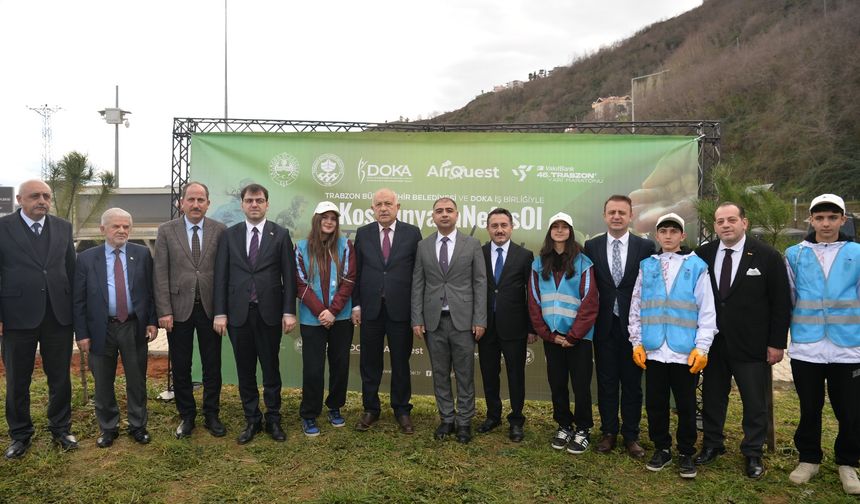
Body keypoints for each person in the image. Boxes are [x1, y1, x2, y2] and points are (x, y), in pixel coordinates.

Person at [695, 202, 791, 478]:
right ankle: (712, 445)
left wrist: (777, 343)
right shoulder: (703, 255)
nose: (726, 225)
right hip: (713, 344)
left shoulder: (767, 256)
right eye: (720, 221)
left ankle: (753, 452)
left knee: (754, 401)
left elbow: (780, 302)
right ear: (714, 226)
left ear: (744, 223)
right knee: (713, 397)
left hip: (753, 344)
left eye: (731, 220)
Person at [628, 212, 717, 479]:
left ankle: (686, 452)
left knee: (686, 405)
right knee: (656, 403)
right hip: (654, 349)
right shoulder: (647, 266)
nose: (668, 236)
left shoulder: (697, 266)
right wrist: (637, 341)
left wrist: (702, 348)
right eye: (663, 231)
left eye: (673, 231)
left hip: (684, 352)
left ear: (682, 235)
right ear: (657, 236)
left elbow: (707, 311)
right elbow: (636, 306)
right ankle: (662, 448)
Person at [784, 194, 860, 495]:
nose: (825, 223)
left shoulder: (856, 252)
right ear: (811, 220)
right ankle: (809, 458)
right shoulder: (794, 254)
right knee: (809, 406)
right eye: (819, 218)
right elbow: (788, 298)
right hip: (807, 344)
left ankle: (847, 461)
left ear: (843, 219)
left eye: (832, 217)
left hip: (849, 346)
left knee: (850, 409)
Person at [213, 183, 297, 445]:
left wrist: (288, 312)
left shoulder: (280, 234)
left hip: (270, 314)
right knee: (245, 370)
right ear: (242, 204)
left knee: (271, 369)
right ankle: (252, 418)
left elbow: (289, 277)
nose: (254, 205)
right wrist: (220, 313)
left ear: (267, 204)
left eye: (259, 200)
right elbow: (221, 277)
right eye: (249, 200)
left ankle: (273, 418)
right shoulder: (229, 235)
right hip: (238, 315)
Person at [0, 180, 77, 459]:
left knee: (60, 378)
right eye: (35, 196)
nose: (42, 200)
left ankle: (61, 428)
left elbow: (71, 269)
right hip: (16, 318)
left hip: (58, 316)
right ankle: (20, 435)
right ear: (20, 199)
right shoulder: (3, 227)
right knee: (18, 380)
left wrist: (76, 314)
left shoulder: (62, 227)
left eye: (46, 196)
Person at [74, 208, 158, 448]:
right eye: (116, 226)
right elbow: (78, 300)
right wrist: (82, 334)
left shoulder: (142, 254)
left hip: (133, 327)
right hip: (100, 329)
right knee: (102, 381)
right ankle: (108, 427)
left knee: (136, 379)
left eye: (126, 227)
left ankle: (138, 425)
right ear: (103, 230)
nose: (122, 231)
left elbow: (150, 291)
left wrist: (152, 320)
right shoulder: (87, 258)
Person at [154, 181, 227, 439]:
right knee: (182, 365)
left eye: (201, 200)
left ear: (208, 203)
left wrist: (222, 311)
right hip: (177, 310)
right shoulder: (166, 231)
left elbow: (224, 273)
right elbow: (160, 272)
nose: (196, 204)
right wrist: (164, 310)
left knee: (212, 365)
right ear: (181, 202)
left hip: (210, 311)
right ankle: (187, 416)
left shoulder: (220, 230)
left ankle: (211, 414)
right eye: (191, 199)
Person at [583, 195, 654, 458]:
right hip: (603, 326)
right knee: (606, 381)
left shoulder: (645, 247)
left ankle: (632, 435)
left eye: (622, 212)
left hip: (635, 327)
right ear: (604, 216)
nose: (616, 216)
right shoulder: (591, 246)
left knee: (633, 384)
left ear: (631, 216)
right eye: (611, 212)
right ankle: (609, 432)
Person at [411, 197, 487, 444]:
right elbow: (418, 284)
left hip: (464, 321)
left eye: (449, 211)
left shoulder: (472, 244)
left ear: (457, 215)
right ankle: (447, 419)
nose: (444, 214)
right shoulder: (423, 246)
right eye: (439, 211)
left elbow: (480, 283)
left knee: (465, 374)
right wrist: (417, 318)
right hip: (434, 321)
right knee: (440, 373)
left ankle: (464, 421)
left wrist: (480, 319)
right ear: (432, 216)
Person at [352, 188, 422, 434]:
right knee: (369, 362)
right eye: (379, 204)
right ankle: (371, 408)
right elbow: (356, 272)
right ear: (372, 208)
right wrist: (357, 304)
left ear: (397, 207)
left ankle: (402, 409)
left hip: (400, 311)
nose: (383, 208)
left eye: (388, 204)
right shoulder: (363, 234)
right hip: (370, 310)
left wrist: (417, 311)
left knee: (401, 362)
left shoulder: (412, 234)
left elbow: (418, 275)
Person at [527, 212, 598, 455]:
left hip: (578, 338)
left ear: (570, 231)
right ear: (550, 232)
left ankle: (583, 428)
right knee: (557, 384)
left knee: (580, 385)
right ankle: (564, 425)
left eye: (564, 227)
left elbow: (589, 302)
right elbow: (534, 302)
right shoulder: (538, 264)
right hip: (552, 337)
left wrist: (573, 336)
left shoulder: (583, 262)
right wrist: (548, 334)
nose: (559, 230)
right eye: (555, 227)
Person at [295, 201, 356, 436]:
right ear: (316, 220)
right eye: (324, 217)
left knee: (340, 366)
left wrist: (333, 311)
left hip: (341, 318)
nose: (329, 221)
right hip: (313, 319)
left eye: (333, 218)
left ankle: (334, 407)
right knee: (313, 368)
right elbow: (300, 284)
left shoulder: (346, 245)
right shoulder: (301, 247)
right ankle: (309, 414)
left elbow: (350, 279)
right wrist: (322, 311)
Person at [477, 208, 535, 443]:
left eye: (503, 225)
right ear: (488, 228)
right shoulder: (478, 253)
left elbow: (531, 294)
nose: (499, 230)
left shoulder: (525, 255)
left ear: (511, 227)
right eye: (494, 226)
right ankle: (493, 415)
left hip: (515, 327)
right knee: (489, 373)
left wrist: (531, 327)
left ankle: (517, 419)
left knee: (515, 375)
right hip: (485, 326)